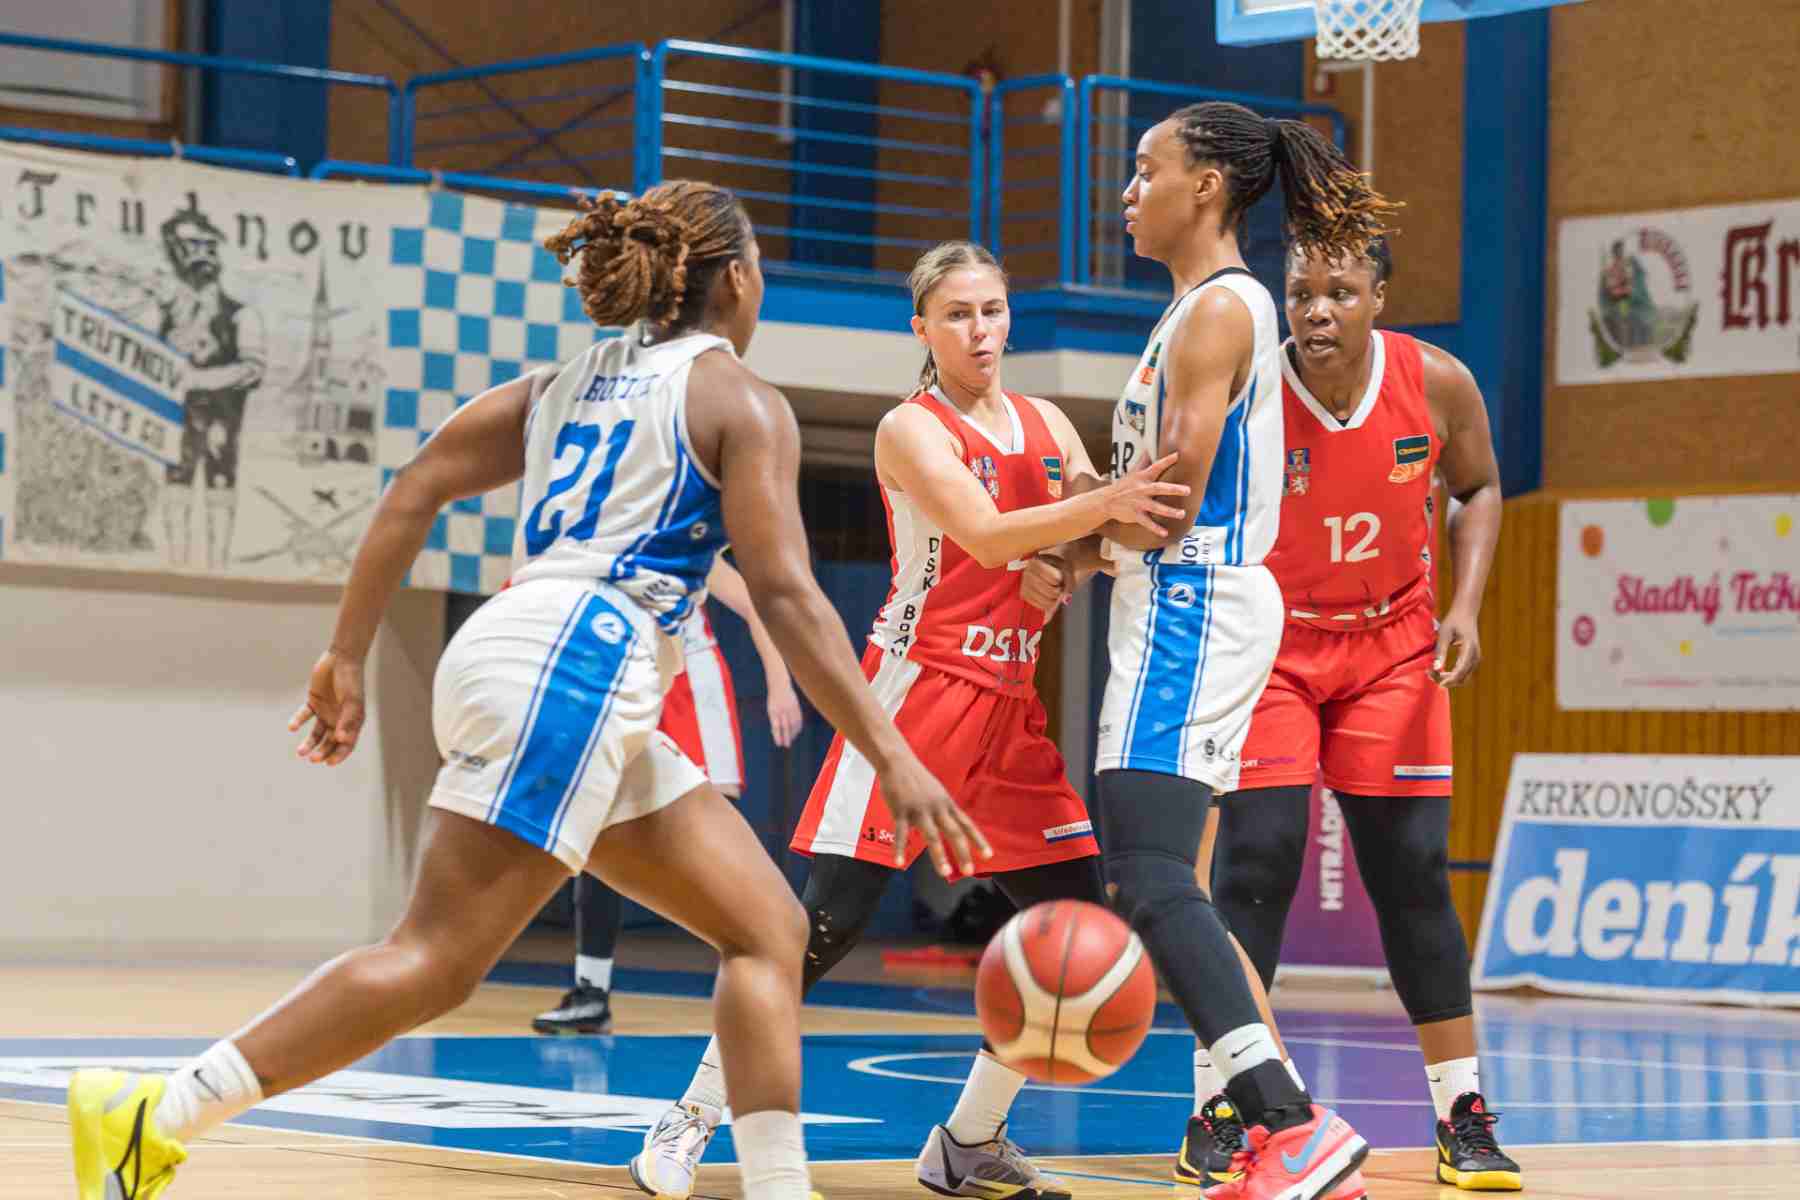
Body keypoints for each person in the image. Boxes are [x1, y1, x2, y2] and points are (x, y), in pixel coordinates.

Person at [65, 179, 990, 1200]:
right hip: (579, 660)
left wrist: (346, 654)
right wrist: (890, 754)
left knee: (767, 932)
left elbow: (414, 486)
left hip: (527, 646)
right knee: (436, 960)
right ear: (735, 278)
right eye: (760, 266)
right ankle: (155, 1112)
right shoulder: (737, 397)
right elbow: (784, 594)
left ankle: (780, 1188)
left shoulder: (556, 385)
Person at [628, 240, 1191, 1200]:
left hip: (1009, 705)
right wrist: (1089, 517)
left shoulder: (1048, 422)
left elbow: (1098, 535)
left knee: (1076, 926)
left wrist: (1088, 549)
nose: (981, 330)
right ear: (923, 328)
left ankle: (969, 1140)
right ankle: (690, 1116)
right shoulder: (909, 429)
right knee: (817, 926)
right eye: (958, 314)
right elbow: (987, 533)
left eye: (993, 310)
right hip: (914, 692)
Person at [1046, 102, 1400, 1200]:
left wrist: (1060, 530)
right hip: (1180, 600)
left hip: (1191, 602)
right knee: (1148, 869)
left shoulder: (1218, 311)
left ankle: (1288, 1125)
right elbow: (1147, 502)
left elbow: (1168, 503)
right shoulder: (1199, 311)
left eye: (1144, 169)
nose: (1127, 192)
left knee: (1151, 872)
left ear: (1205, 186)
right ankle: (1276, 1123)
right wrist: (1082, 542)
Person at [1195, 237, 1518, 1191]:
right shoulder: (1250, 388)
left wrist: (1465, 608)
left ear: (1380, 294)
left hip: (1394, 647)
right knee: (1255, 865)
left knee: (1413, 873)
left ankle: (1462, 1112)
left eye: (1341, 291)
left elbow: (1479, 487)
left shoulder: (1438, 382)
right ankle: (1224, 1105)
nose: (1318, 310)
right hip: (1277, 646)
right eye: (1301, 292)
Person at [534, 556, 803, 1035]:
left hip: (694, 686)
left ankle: (762, 974)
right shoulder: (601, 548)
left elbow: (756, 604)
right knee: (603, 830)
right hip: (632, 682)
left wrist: (779, 683)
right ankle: (591, 992)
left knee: (717, 844)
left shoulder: (684, 541)